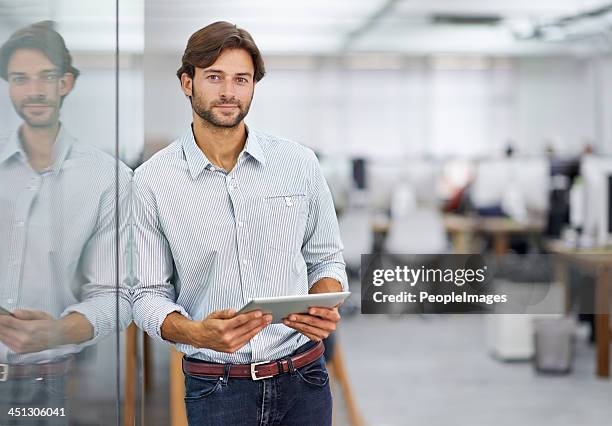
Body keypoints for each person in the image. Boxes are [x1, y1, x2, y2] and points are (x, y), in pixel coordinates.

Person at [131, 21, 348, 425]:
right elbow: (145, 295)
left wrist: (321, 299)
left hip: (305, 377)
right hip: (218, 388)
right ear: (186, 83)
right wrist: (197, 333)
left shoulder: (299, 165)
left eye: (241, 79)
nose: (229, 92)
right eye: (214, 77)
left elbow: (327, 262)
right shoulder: (150, 183)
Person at [0, 21, 132, 424]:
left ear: (67, 83)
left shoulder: (108, 179)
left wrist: (59, 330)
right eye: (21, 79)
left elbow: (118, 295)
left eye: (47, 77)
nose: (34, 90)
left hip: (47, 380)